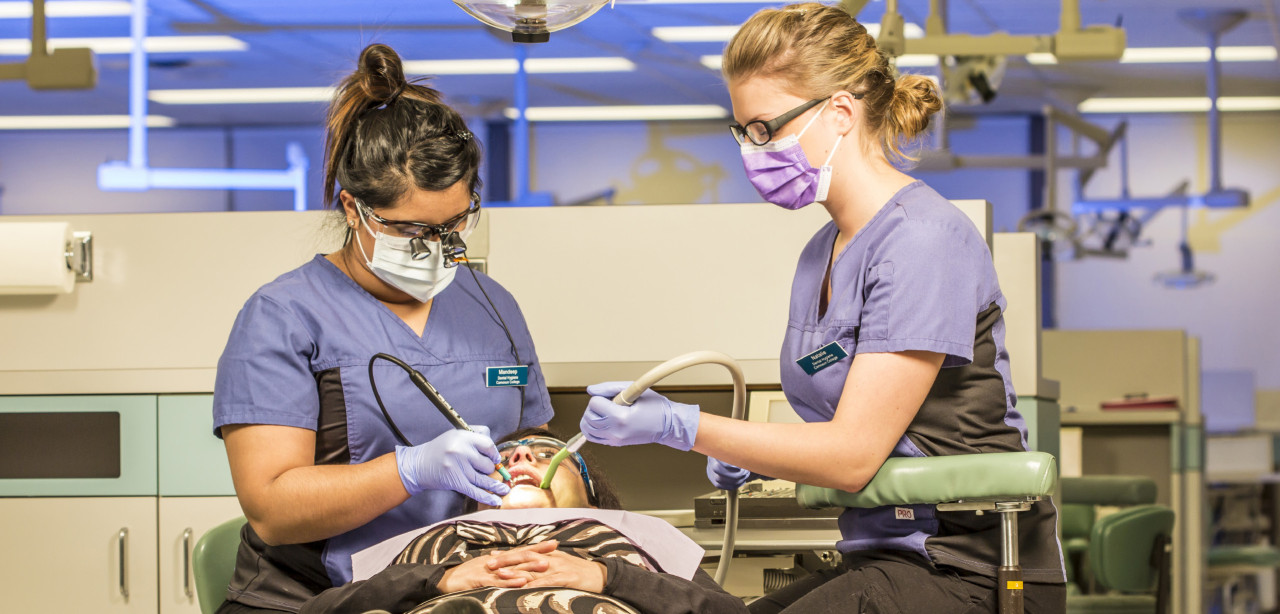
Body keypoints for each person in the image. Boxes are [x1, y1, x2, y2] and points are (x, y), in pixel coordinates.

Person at [578, 4, 1066, 613]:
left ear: (839, 113)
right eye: (743, 132)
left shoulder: (923, 239)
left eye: (764, 128)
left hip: (966, 566)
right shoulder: (821, 252)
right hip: (887, 555)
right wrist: (749, 461)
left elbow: (854, 454)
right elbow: (856, 428)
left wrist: (685, 428)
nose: (752, 149)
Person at [212, 43, 554, 614]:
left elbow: (532, 448)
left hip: (460, 587)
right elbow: (273, 509)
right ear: (354, 209)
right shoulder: (284, 315)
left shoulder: (491, 304)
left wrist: (550, 471)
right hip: (317, 598)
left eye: (454, 225)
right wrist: (410, 469)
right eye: (414, 231)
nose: (440, 249)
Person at [299, 428, 748, 614]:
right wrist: (437, 580)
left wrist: (606, 576)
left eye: (549, 453)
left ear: (592, 497)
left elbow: (726, 612)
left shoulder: (634, 535)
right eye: (503, 457)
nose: (520, 455)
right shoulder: (437, 541)